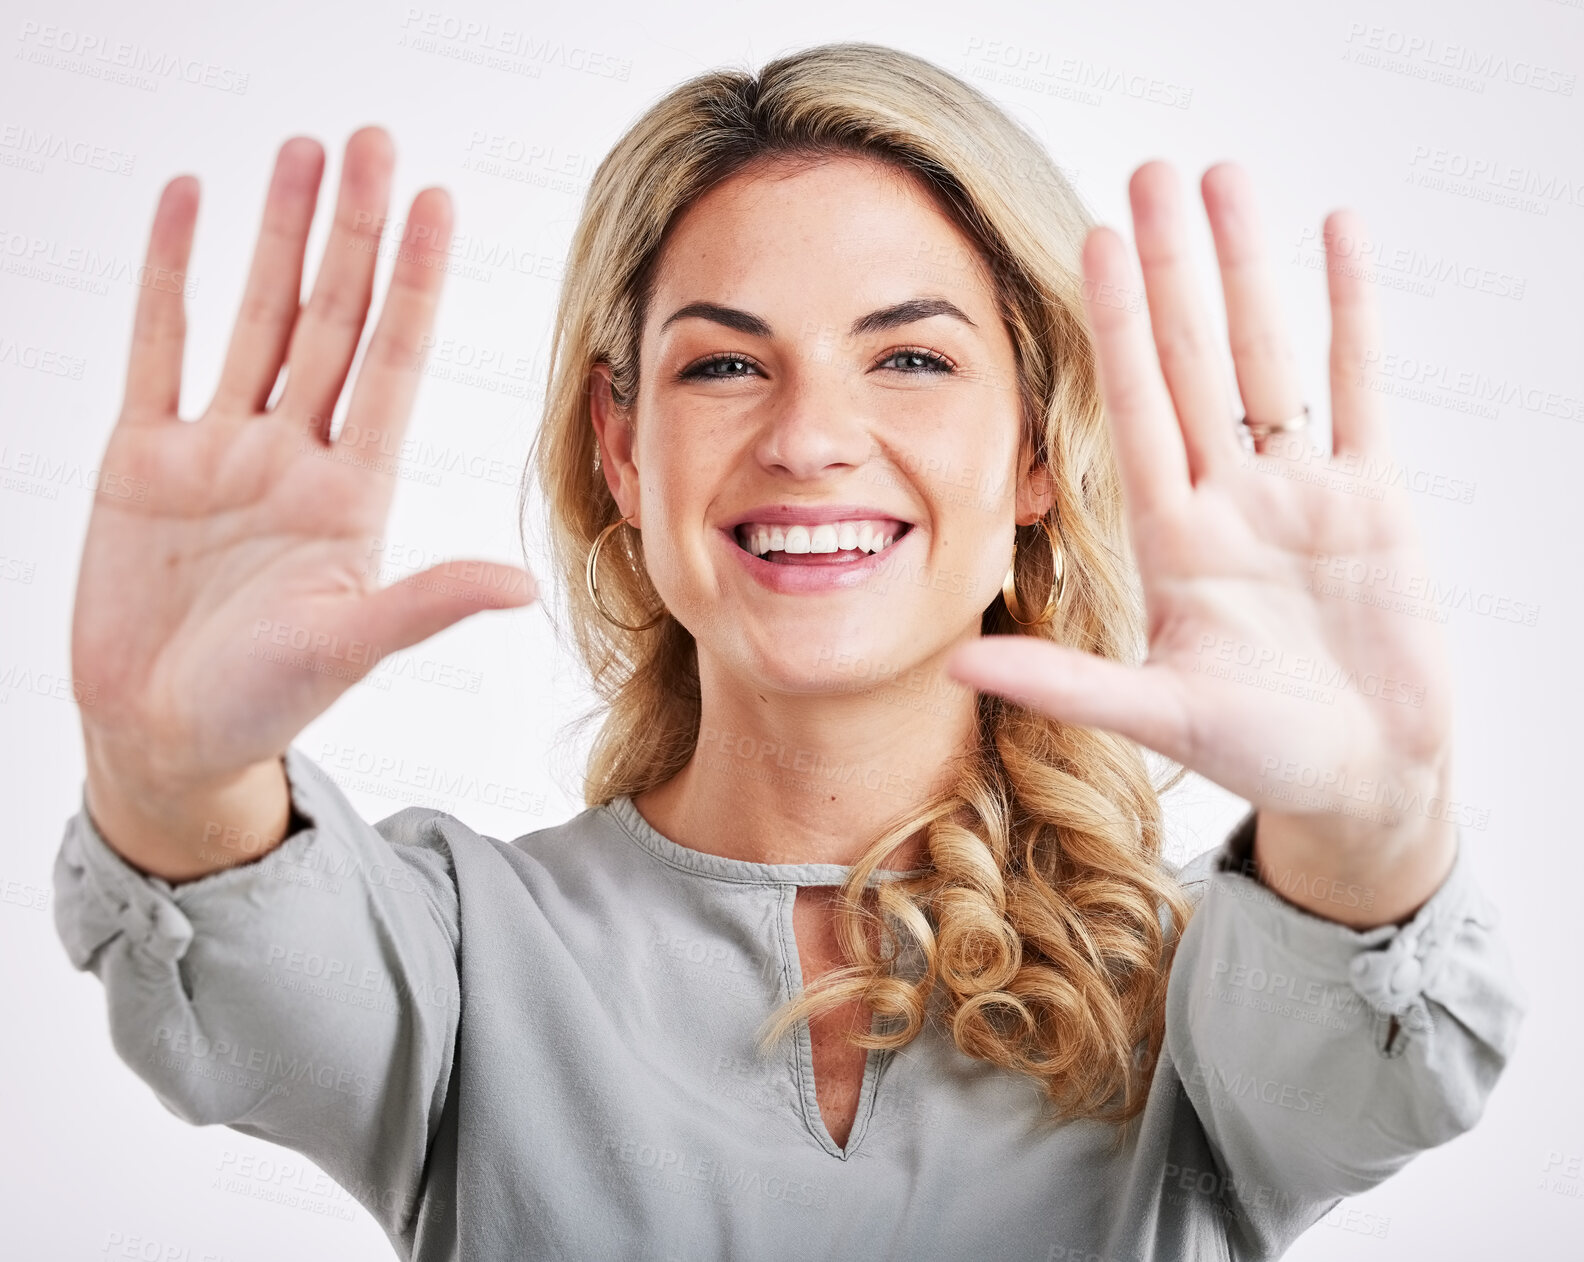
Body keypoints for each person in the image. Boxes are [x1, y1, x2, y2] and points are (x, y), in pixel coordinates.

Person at [52, 41, 1523, 1262]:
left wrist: (1370, 811)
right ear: (622, 449)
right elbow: (243, 973)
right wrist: (167, 768)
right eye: (726, 362)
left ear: (1033, 453)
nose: (810, 436)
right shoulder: (462, 951)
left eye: (913, 356)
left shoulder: (1200, 996)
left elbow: (1374, 1058)